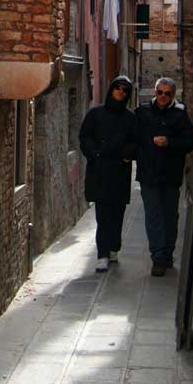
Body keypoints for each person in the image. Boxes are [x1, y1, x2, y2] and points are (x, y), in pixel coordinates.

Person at [135, 77, 193, 277]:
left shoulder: (180, 114)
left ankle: (167, 253)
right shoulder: (142, 112)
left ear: (173, 95)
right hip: (148, 173)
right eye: (160, 92)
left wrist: (169, 142)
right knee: (153, 216)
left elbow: (189, 143)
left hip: (171, 174)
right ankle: (158, 257)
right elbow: (133, 137)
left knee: (170, 216)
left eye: (167, 93)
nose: (162, 96)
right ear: (155, 92)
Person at [79, 75, 137, 273]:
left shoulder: (130, 118)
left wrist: (127, 154)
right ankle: (102, 254)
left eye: (124, 90)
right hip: (100, 170)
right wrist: (94, 154)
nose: (120, 92)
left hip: (119, 170)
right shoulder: (95, 114)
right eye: (118, 88)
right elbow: (84, 136)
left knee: (117, 213)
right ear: (111, 89)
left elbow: (135, 141)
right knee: (103, 214)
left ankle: (113, 248)